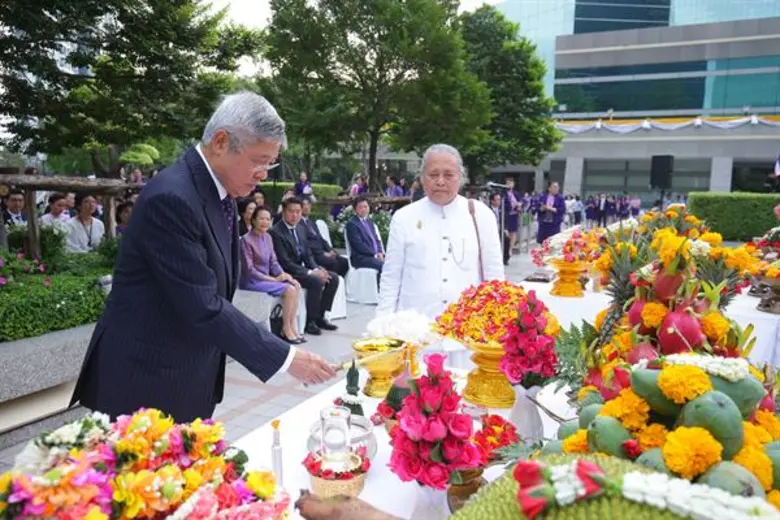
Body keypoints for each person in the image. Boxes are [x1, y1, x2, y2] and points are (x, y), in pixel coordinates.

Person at [70, 92, 335, 423]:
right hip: (145, 381)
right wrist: (287, 359)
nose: (264, 174)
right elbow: (203, 305)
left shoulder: (220, 194)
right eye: (259, 161)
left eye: (270, 163)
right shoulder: (173, 198)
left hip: (186, 375)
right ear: (221, 142)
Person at [378, 143, 503, 319]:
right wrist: (382, 323)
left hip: (467, 327)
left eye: (448, 175)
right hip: (414, 326)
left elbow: (494, 274)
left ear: (461, 177)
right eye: (433, 175)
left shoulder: (481, 215)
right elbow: (391, 277)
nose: (440, 181)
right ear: (422, 178)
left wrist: (496, 320)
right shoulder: (403, 217)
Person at [271, 197, 340, 336]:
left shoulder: (301, 228)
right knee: (316, 281)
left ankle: (321, 316)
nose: (295, 215)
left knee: (332, 277)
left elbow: (308, 255)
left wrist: (317, 269)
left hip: (300, 269)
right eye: (291, 211)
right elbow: (284, 262)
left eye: (298, 212)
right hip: (287, 272)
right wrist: (310, 273)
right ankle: (310, 321)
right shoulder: (276, 232)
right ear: (283, 212)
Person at [240, 206, 305, 344]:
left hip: (267, 279)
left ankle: (292, 326)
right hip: (252, 281)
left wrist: (284, 275)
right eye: (261, 218)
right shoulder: (246, 240)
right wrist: (274, 279)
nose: (265, 222)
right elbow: (249, 270)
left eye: (268, 219)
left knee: (295, 285)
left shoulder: (268, 237)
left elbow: (273, 262)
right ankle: (286, 329)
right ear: (253, 220)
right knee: (289, 290)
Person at [300, 197, 349, 278]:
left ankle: (339, 281)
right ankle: (330, 280)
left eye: (308, 204)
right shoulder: (299, 224)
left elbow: (321, 239)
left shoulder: (311, 222)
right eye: (304, 205)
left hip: (323, 252)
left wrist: (330, 250)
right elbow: (306, 243)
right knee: (333, 262)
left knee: (344, 261)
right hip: (314, 255)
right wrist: (323, 253)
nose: (306, 207)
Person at [345, 196, 384, 277]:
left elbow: (376, 240)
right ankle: (380, 284)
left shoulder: (369, 222)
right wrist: (375, 254)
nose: (363, 209)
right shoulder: (352, 224)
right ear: (355, 209)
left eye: (365, 207)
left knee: (393, 263)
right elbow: (358, 245)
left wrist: (380, 252)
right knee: (383, 266)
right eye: (360, 207)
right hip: (361, 258)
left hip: (374, 256)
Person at [489, 192, 511, 266]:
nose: (499, 202)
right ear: (492, 201)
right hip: (491, 230)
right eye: (497, 200)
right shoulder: (488, 209)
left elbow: (505, 220)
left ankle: (505, 259)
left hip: (500, 229)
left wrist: (505, 229)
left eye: (499, 199)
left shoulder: (502, 209)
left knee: (506, 239)